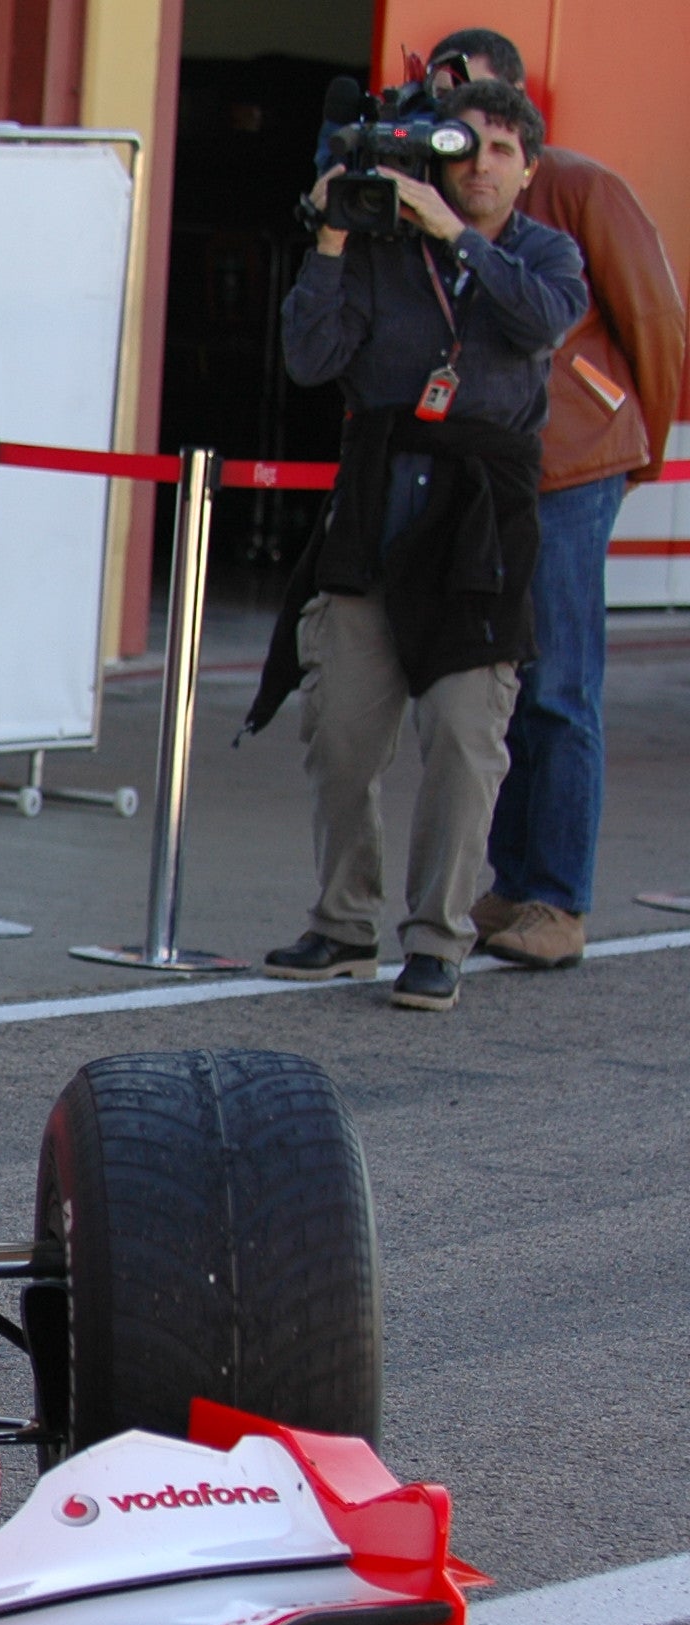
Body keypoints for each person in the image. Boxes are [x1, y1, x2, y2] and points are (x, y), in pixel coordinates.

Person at [245, 78, 586, 1013]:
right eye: (460, 148)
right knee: (342, 734)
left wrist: (452, 233)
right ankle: (343, 923)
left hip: (480, 529)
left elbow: (542, 322)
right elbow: (311, 359)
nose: (477, 167)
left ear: (528, 170)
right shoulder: (376, 244)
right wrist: (330, 237)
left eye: (499, 153)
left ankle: (438, 938)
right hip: (376, 504)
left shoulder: (544, 252)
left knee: (467, 745)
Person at [423, 31, 686, 972]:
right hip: (493, 462)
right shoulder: (431, 191)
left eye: (475, 100)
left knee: (563, 684)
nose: (466, 136)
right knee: (510, 678)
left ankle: (560, 897)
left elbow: (654, 316)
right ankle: (517, 876)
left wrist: (633, 441)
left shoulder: (576, 184)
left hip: (572, 469)